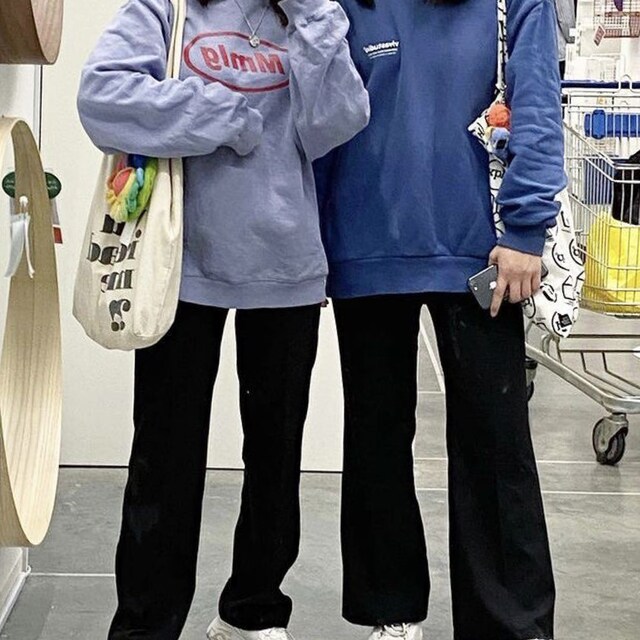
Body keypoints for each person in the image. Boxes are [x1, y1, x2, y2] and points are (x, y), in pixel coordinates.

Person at [77, 1, 369, 638]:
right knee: (164, 459)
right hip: (180, 269)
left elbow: (339, 121)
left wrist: (314, 13)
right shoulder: (169, 7)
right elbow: (101, 97)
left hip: (286, 267)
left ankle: (254, 613)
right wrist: (223, 114)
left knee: (275, 461)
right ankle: (145, 627)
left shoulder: (311, 17)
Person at [314, 0, 565, 639]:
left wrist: (527, 227)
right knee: (375, 437)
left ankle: (511, 624)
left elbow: (538, 101)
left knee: (496, 442)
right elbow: (317, 115)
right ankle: (389, 613)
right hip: (364, 244)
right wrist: (307, 243)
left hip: (484, 252)